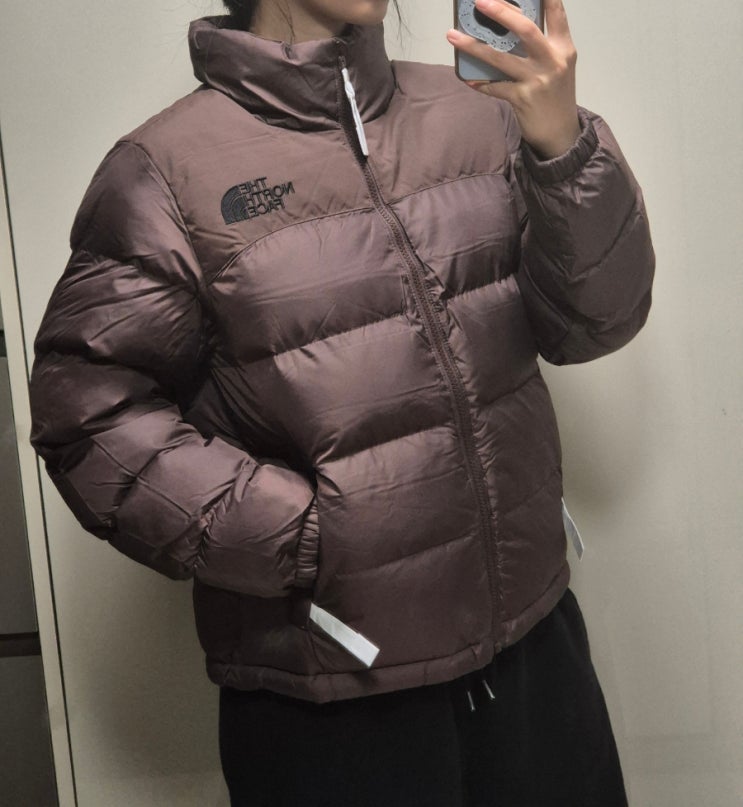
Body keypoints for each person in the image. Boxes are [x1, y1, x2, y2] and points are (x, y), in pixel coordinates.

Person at [29, 0, 654, 803]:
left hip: (533, 652)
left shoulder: (480, 109)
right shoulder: (164, 173)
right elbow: (85, 412)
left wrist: (561, 146)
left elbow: (596, 320)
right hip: (333, 694)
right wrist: (304, 538)